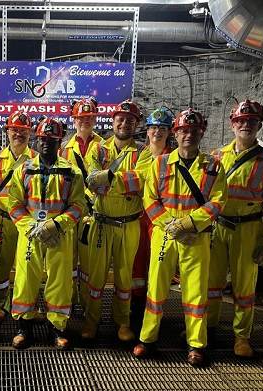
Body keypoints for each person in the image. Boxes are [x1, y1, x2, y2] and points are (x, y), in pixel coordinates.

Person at [133, 108, 228, 367]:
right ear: (176, 134)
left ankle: (196, 345)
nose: (189, 135)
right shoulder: (160, 163)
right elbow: (149, 198)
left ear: (201, 133)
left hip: (195, 235)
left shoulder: (213, 165)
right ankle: (148, 338)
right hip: (165, 234)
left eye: (194, 131)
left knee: (196, 291)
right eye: (184, 131)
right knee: (156, 287)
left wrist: (189, 223)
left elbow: (218, 200)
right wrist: (168, 224)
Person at [208, 99, 263, 358]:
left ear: (259, 125)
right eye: (240, 121)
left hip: (249, 229)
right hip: (218, 227)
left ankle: (241, 337)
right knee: (212, 283)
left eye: (251, 122)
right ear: (232, 125)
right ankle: (207, 327)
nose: (245, 125)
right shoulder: (217, 156)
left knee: (244, 287)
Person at [8, 116, 87, 350]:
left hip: (59, 235)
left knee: (61, 280)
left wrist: (57, 225)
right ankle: (24, 328)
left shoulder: (72, 172)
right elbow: (14, 204)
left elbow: (78, 205)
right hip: (31, 234)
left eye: (51, 140)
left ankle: (58, 329)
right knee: (25, 279)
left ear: (59, 141)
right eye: (42, 139)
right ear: (36, 139)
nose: (46, 144)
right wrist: (32, 227)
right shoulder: (23, 170)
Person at [82, 100, 152, 341]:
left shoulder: (143, 151)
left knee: (124, 278)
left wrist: (107, 179)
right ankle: (92, 322)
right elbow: (92, 183)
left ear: (137, 123)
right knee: (96, 277)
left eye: (130, 120)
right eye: (120, 119)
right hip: (101, 222)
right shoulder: (98, 149)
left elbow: (141, 180)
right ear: (112, 122)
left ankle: (122, 323)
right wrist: (123, 184)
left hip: (129, 223)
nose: (124, 123)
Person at [0, 110, 37, 324]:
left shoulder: (37, 159)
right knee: (2, 266)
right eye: (15, 130)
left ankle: (32, 304)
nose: (18, 134)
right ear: (7, 131)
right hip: (4, 220)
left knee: (30, 265)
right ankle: (0, 304)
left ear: (29, 133)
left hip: (28, 222)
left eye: (23, 131)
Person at [59, 97, 103, 309]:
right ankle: (69, 301)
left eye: (89, 117)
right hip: (70, 211)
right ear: (73, 119)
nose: (85, 121)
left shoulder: (104, 146)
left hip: (94, 212)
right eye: (81, 117)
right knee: (68, 261)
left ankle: (86, 304)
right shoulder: (64, 149)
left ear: (95, 119)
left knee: (88, 262)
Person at [131, 108, 175, 313]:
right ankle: (137, 305)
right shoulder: (137, 155)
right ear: (147, 130)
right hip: (137, 215)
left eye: (163, 128)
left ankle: (155, 308)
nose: (158, 132)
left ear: (169, 132)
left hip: (161, 217)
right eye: (154, 127)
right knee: (136, 262)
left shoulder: (175, 158)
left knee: (158, 264)